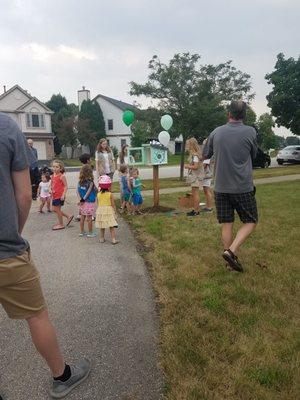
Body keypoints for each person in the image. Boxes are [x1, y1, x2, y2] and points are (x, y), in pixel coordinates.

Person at [0, 112, 90, 398]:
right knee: (37, 316)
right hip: (6, 252)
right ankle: (61, 376)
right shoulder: (6, 127)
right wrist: (14, 232)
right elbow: (24, 196)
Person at [203, 100, 258, 272]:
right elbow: (254, 155)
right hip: (242, 187)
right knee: (251, 221)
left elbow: (205, 154)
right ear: (244, 116)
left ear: (229, 114)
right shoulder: (251, 132)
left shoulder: (216, 132)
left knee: (227, 223)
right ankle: (231, 252)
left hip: (220, 187)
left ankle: (229, 264)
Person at [51, 160, 73, 230]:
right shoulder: (52, 175)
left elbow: (66, 186)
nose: (54, 168)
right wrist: (50, 189)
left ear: (60, 168)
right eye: (53, 166)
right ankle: (68, 216)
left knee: (57, 210)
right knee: (54, 209)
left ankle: (61, 224)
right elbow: (52, 184)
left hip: (60, 196)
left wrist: (63, 195)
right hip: (54, 196)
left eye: (57, 167)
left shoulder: (62, 176)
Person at [95, 175, 118, 244]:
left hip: (100, 210)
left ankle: (102, 238)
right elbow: (113, 204)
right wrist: (115, 211)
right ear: (109, 186)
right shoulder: (110, 194)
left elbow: (98, 203)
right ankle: (113, 239)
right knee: (111, 225)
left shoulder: (98, 194)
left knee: (102, 225)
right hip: (108, 210)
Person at [184, 138, 204, 216]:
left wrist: (187, 166)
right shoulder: (194, 155)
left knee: (195, 194)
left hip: (196, 177)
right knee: (194, 193)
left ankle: (196, 211)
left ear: (192, 145)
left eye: (188, 144)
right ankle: (195, 209)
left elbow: (196, 167)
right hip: (195, 177)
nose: (187, 146)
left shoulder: (195, 155)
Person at [77, 165, 97, 237]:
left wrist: (80, 200)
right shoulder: (90, 182)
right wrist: (83, 199)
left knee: (82, 217)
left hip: (82, 203)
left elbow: (77, 191)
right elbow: (88, 192)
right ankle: (90, 233)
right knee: (89, 218)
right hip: (89, 202)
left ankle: (82, 232)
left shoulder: (80, 182)